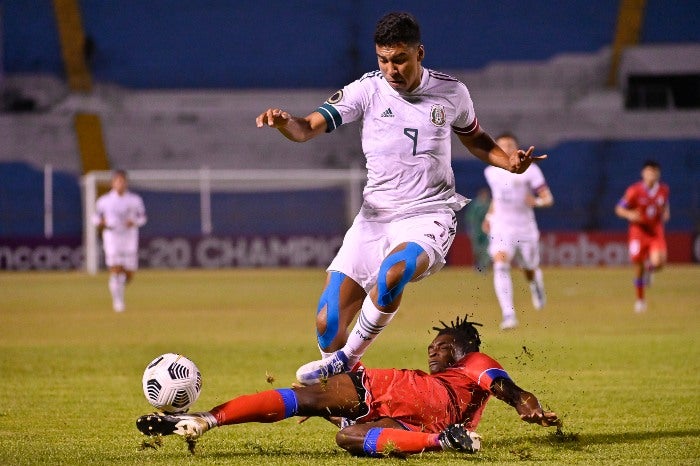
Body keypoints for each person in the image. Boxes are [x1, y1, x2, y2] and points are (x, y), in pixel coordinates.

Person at [255, 12, 546, 385]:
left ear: (419, 53)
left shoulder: (451, 92)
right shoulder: (367, 90)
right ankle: (350, 403)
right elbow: (308, 127)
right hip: (375, 217)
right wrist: (285, 123)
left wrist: (508, 161)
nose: (391, 69)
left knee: (394, 272)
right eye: (383, 60)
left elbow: (474, 137)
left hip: (429, 213)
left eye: (399, 59)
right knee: (328, 322)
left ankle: (345, 360)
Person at [136, 316, 559, 458]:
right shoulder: (449, 376)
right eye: (431, 346)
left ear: (462, 346)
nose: (433, 351)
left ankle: (207, 419)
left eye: (441, 346)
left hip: (408, 393)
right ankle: (443, 443)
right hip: (423, 419)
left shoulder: (473, 362)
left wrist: (527, 405)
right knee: (348, 436)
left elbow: (508, 387)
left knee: (310, 397)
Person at [482, 133, 554, 330]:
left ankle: (535, 284)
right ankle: (508, 315)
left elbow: (548, 197)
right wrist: (489, 217)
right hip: (502, 227)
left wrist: (537, 201)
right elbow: (497, 198)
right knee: (500, 262)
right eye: (502, 144)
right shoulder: (491, 171)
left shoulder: (530, 170)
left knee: (529, 268)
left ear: (516, 147)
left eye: (510, 144)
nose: (506, 147)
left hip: (525, 228)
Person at [614, 160, 670, 313]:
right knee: (638, 266)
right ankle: (640, 301)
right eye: (648, 172)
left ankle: (650, 269)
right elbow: (619, 208)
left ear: (658, 174)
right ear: (643, 173)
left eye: (654, 172)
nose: (651, 175)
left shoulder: (664, 190)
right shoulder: (634, 191)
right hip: (638, 232)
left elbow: (664, 205)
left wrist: (665, 212)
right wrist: (629, 214)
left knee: (659, 263)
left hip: (655, 231)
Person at [92, 169, 147, 312]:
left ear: (126, 183)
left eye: (122, 181)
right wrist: (102, 222)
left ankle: (119, 285)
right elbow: (95, 218)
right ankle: (118, 302)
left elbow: (143, 218)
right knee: (115, 269)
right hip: (112, 237)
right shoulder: (104, 201)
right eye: (117, 181)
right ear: (112, 183)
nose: (120, 184)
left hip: (129, 237)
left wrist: (134, 221)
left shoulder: (135, 200)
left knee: (128, 273)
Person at [464, 186, 491, 272]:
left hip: (487, 231)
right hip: (476, 230)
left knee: (486, 249)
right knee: (476, 249)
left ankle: (484, 266)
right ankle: (477, 265)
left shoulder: (489, 204)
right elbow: (470, 218)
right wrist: (471, 229)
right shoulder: (475, 204)